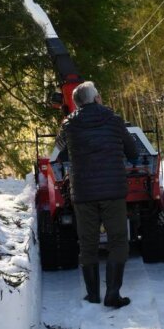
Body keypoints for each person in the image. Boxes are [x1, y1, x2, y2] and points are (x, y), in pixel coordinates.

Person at [55, 81, 138, 308]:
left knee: (88, 243)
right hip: (113, 191)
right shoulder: (114, 120)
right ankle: (113, 293)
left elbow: (58, 154)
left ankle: (92, 295)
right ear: (96, 98)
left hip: (83, 193)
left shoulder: (68, 125)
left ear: (77, 103)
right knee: (118, 241)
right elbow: (133, 153)